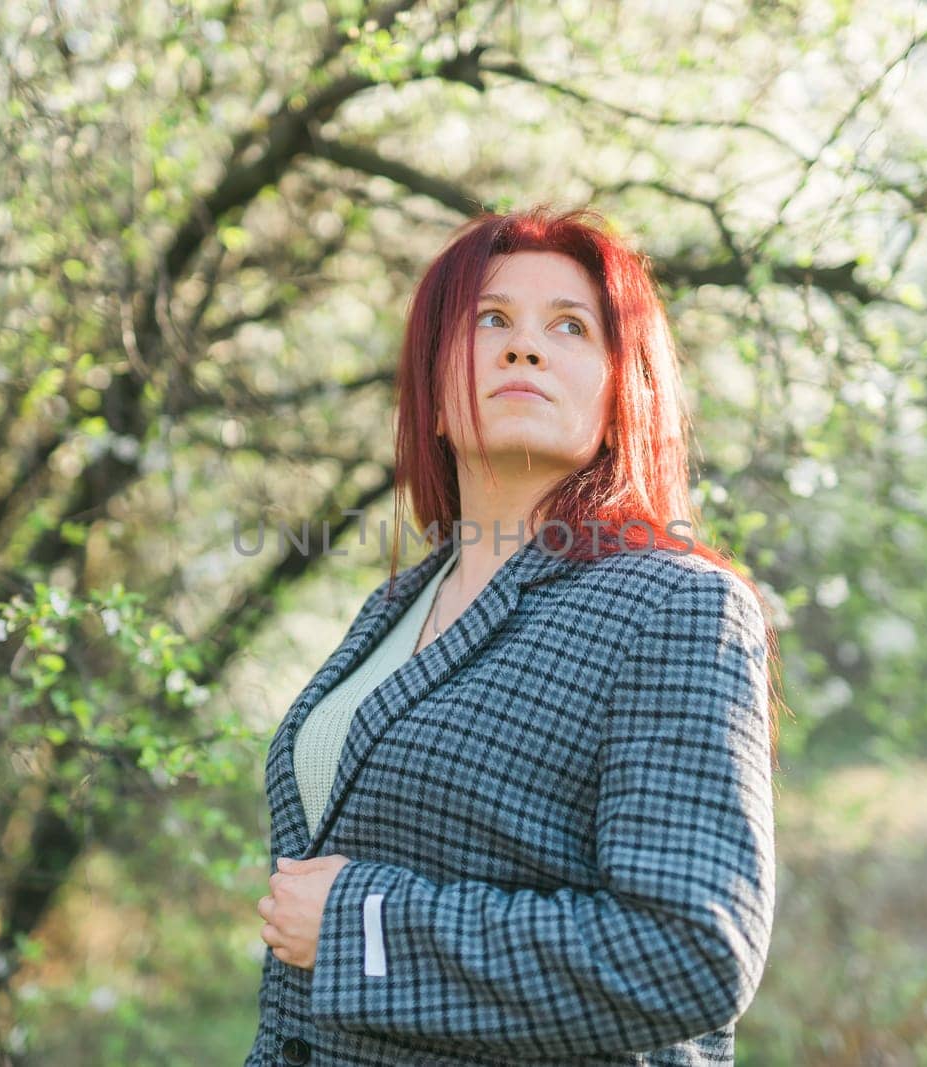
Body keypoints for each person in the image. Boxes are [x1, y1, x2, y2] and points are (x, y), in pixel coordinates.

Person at [248, 203, 784, 1066]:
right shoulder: (392, 608)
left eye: (569, 327)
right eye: (490, 319)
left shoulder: (675, 605)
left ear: (621, 395)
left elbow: (692, 951)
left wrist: (363, 926)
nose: (523, 346)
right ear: (432, 391)